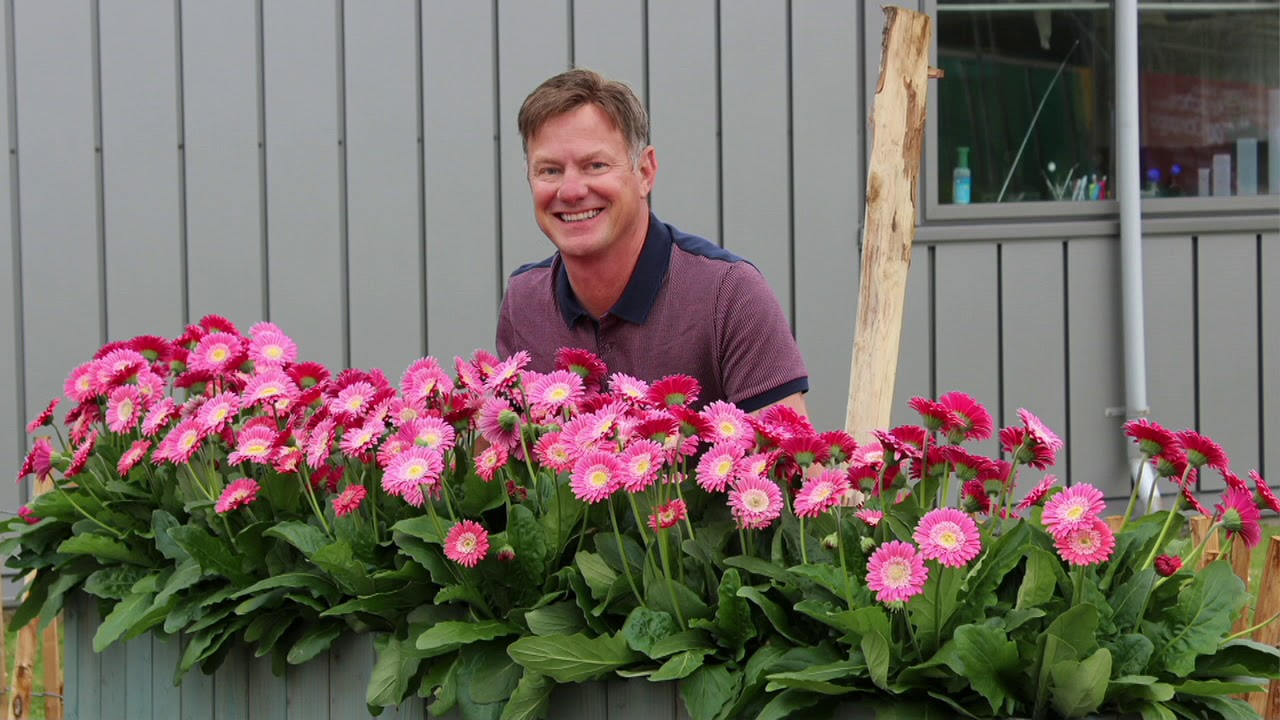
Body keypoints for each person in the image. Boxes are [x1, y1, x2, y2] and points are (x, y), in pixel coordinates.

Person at [496, 68, 808, 415]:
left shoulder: (729, 295)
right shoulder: (525, 304)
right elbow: (503, 457)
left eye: (595, 165)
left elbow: (788, 463)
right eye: (549, 170)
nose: (571, 191)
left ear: (645, 172)